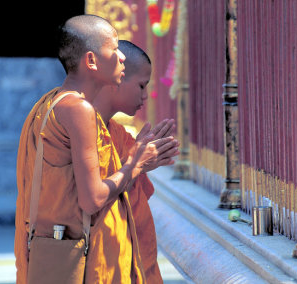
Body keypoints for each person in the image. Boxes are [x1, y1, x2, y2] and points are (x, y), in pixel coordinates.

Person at [14, 15, 179, 283]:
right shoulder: (79, 109)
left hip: (56, 251)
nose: (121, 57)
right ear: (91, 61)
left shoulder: (47, 104)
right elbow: (92, 200)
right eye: (114, 49)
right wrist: (135, 164)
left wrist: (135, 159)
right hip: (83, 263)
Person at [94, 40, 177, 284]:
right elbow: (92, 201)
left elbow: (125, 196)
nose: (145, 96)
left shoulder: (118, 134)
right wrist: (135, 165)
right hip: (103, 264)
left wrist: (139, 163)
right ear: (116, 78)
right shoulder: (82, 130)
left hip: (131, 261)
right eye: (141, 85)